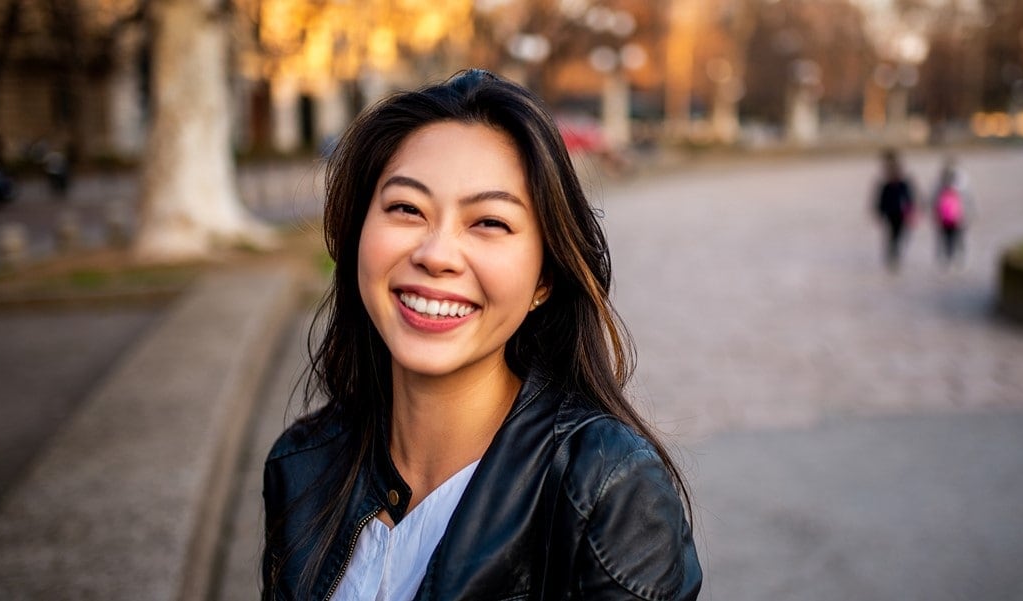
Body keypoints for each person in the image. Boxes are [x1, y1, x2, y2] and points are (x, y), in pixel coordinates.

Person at [262, 70, 701, 601]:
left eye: (489, 222)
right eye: (406, 209)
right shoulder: (303, 463)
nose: (436, 255)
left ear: (544, 278)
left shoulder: (610, 491)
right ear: (357, 237)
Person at [873, 148, 916, 271]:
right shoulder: (887, 185)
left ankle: (894, 255)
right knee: (893, 235)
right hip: (891, 213)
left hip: (899, 213)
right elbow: (881, 200)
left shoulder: (901, 184)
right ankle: (892, 256)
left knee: (897, 236)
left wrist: (911, 211)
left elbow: (909, 198)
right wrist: (879, 212)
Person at [931, 157, 973, 267]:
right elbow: (934, 200)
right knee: (948, 238)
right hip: (948, 217)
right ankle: (950, 260)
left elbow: (969, 199)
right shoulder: (940, 183)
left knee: (956, 238)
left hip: (957, 216)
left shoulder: (961, 181)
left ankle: (955, 260)